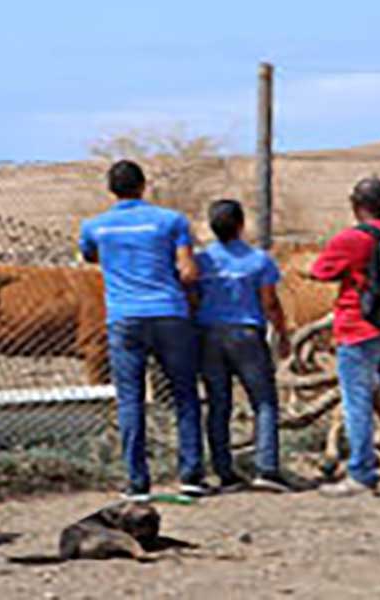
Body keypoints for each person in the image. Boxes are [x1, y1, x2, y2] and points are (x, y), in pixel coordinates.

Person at [78, 160, 208, 500]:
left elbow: (90, 257)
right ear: (143, 185)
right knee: (184, 395)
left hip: (124, 318)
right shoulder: (171, 221)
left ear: (111, 189)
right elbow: (188, 271)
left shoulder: (94, 227)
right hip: (169, 313)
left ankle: (137, 482)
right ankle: (191, 475)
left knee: (130, 400)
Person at [309, 177, 380, 497]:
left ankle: (361, 473)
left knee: (357, 401)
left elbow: (321, 271)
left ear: (354, 203)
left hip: (359, 329)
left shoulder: (351, 238)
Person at [194, 200, 292, 494]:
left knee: (218, 404)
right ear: (241, 225)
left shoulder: (202, 262)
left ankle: (224, 472)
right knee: (263, 401)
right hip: (247, 334)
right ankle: (267, 469)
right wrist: (283, 331)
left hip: (209, 334)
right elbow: (270, 302)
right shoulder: (258, 260)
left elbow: (193, 296)